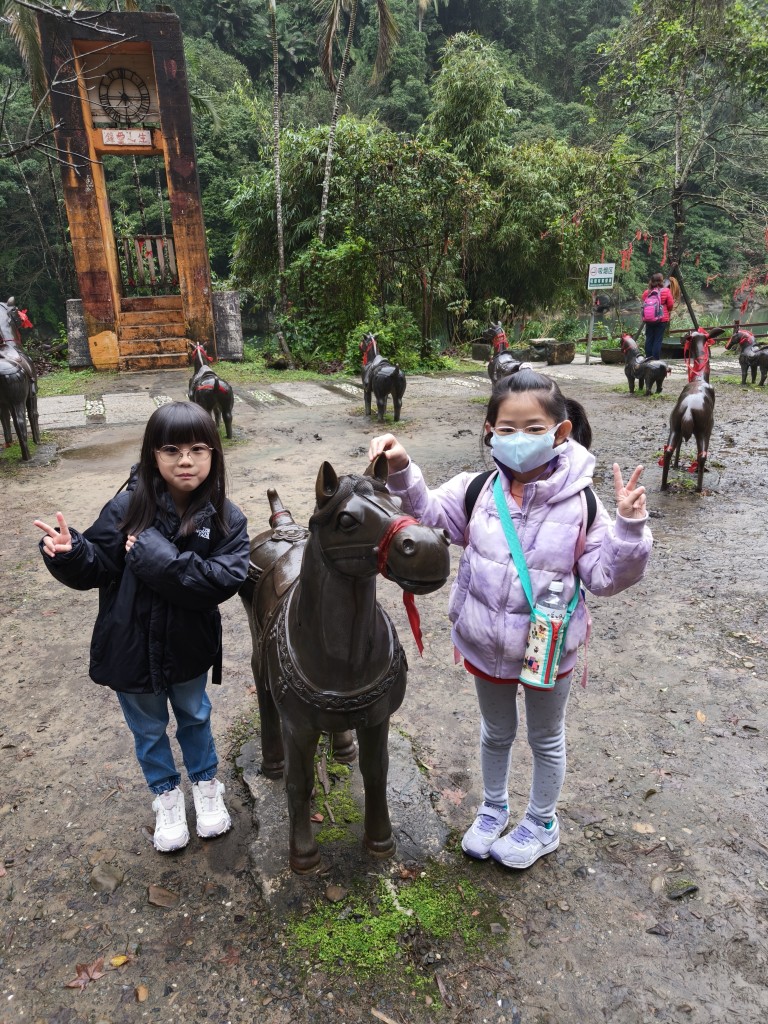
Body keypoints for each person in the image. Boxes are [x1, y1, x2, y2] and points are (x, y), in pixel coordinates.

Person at [368, 369, 652, 870]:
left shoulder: (582, 502)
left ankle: (542, 823)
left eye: (534, 428)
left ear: (560, 432)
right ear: (490, 431)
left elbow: (606, 576)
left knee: (546, 737)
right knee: (495, 732)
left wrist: (628, 528)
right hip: (486, 641)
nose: (519, 438)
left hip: (549, 648)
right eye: (507, 428)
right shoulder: (476, 489)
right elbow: (429, 518)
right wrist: (403, 469)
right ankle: (494, 808)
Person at [34, 402, 250, 853]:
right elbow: (97, 564)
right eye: (172, 450)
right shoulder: (127, 508)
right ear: (153, 454)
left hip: (189, 648)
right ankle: (165, 795)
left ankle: (206, 784)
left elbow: (223, 580)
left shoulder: (226, 518)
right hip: (129, 646)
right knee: (148, 729)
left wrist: (161, 560)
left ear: (214, 454)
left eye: (197, 449)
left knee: (195, 716)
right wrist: (71, 553)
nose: (185, 460)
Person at [642, 272, 675, 360]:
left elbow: (644, 303)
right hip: (662, 319)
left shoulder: (647, 292)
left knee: (649, 339)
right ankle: (655, 360)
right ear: (661, 281)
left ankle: (648, 359)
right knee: (658, 339)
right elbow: (670, 304)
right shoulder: (666, 291)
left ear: (651, 281)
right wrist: (666, 309)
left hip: (649, 319)